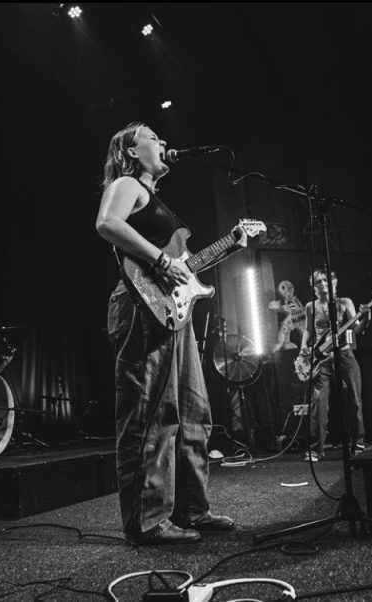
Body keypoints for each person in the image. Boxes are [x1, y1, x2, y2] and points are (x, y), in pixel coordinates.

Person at [96, 122, 245, 545]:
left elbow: (184, 269)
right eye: (152, 137)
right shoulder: (128, 183)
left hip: (171, 312)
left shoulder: (156, 200)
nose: (162, 142)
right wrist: (161, 261)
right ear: (129, 149)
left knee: (193, 413)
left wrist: (229, 244)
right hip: (140, 306)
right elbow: (107, 223)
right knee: (150, 414)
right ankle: (148, 520)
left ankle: (192, 509)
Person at [297, 269, 370, 461]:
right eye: (317, 282)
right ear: (313, 287)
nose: (322, 284)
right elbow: (308, 330)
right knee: (318, 404)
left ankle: (359, 444)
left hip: (344, 354)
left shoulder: (344, 303)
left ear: (334, 283)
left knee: (354, 399)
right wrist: (303, 346)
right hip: (321, 359)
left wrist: (367, 317)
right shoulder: (310, 306)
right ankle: (316, 449)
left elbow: (357, 330)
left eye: (325, 281)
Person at [268, 280, 306, 353]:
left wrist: (280, 307)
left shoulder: (294, 300)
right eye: (284, 288)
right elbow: (290, 308)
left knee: (301, 329)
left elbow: (293, 308)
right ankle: (283, 342)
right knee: (285, 327)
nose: (287, 289)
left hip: (299, 317)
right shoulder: (290, 301)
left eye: (289, 287)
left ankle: (285, 342)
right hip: (295, 317)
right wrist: (279, 307)